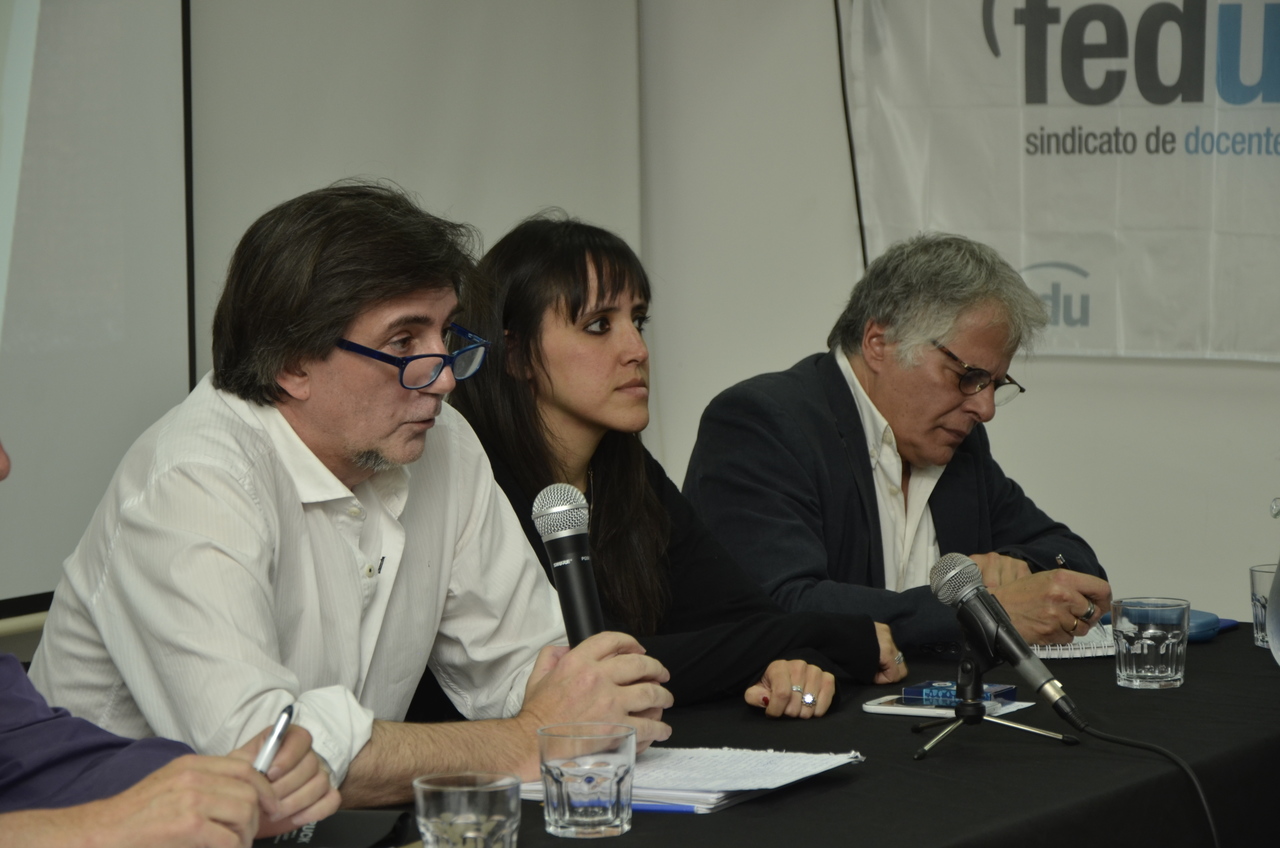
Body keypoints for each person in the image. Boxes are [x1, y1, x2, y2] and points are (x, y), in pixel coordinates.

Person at [28, 182, 672, 809]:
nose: (444, 379)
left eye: (446, 334)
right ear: (292, 363)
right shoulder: (192, 480)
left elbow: (523, 664)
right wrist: (523, 739)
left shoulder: (442, 441)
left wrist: (586, 697)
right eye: (404, 342)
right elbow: (265, 755)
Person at [444, 213, 907, 722]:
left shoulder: (627, 472)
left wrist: (794, 661)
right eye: (599, 326)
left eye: (637, 321)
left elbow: (746, 620)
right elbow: (591, 671)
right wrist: (818, 634)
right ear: (514, 354)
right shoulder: (472, 480)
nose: (637, 350)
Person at [683, 233, 1112, 650]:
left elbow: (1074, 557)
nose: (985, 409)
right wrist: (983, 613)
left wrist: (1020, 566)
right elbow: (781, 606)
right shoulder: (762, 423)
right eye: (969, 376)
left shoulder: (959, 446)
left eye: (994, 385)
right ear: (879, 343)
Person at [0, 438, 340, 847]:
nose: (4, 465)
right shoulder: (190, 474)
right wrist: (96, 826)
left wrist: (209, 786)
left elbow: (38, 758)